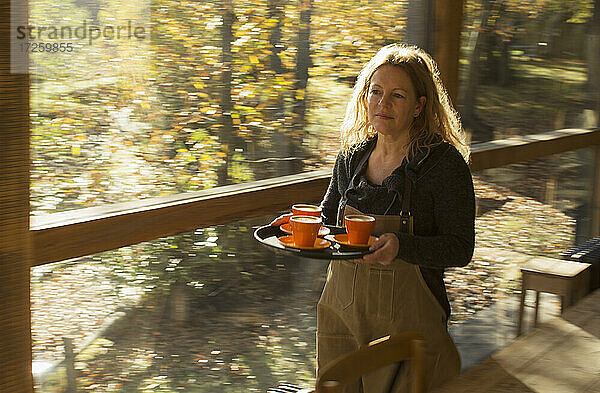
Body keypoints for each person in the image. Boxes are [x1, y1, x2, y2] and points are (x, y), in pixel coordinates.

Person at [273, 43, 475, 392]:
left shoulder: (443, 165)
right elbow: (329, 218)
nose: (383, 104)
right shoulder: (351, 157)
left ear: (419, 105)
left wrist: (402, 245)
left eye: (397, 95)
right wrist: (300, 226)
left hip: (408, 330)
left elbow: (460, 248)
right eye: (376, 92)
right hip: (342, 317)